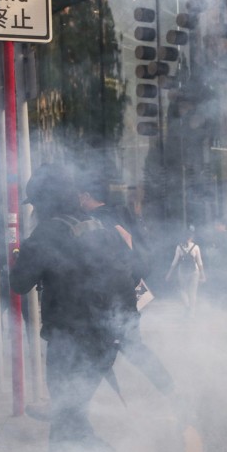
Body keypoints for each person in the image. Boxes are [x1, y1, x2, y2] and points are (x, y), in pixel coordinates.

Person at [8, 163, 146, 452]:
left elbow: (19, 284)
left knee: (70, 421)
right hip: (107, 338)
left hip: (72, 342)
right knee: (68, 421)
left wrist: (17, 251)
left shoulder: (47, 234)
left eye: (35, 202)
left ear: (44, 202)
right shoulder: (100, 226)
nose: (33, 209)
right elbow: (132, 275)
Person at [77, 169, 174, 395]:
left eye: (80, 196)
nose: (78, 200)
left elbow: (126, 243)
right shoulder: (122, 213)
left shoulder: (100, 220)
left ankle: (70, 406)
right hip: (127, 291)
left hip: (114, 294)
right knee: (119, 347)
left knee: (115, 347)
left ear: (86, 196)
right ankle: (70, 407)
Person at [165, 227, 205, 316]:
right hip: (194, 271)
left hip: (183, 271)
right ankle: (192, 314)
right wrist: (203, 275)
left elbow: (174, 262)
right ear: (192, 237)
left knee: (182, 290)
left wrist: (169, 274)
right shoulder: (196, 247)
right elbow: (199, 262)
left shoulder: (179, 247)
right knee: (193, 292)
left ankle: (187, 306)